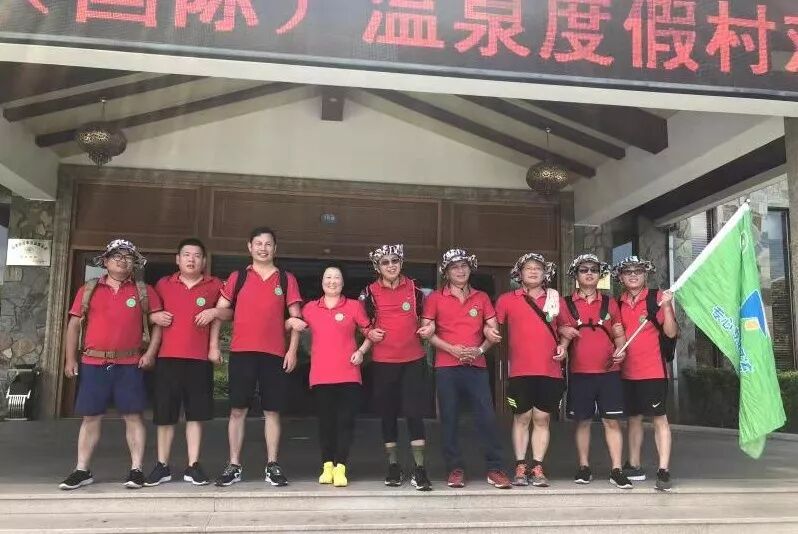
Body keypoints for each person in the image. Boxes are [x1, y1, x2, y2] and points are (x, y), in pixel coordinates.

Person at [59, 239, 163, 490]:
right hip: (93, 362)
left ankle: (136, 469)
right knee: (90, 417)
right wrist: (70, 359)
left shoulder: (144, 291)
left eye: (128, 257)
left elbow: (158, 324)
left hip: (130, 363)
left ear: (134, 263)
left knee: (133, 416)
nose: (122, 261)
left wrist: (150, 353)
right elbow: (73, 326)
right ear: (105, 261)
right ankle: (82, 469)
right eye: (116, 256)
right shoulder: (89, 289)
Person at [209, 227, 303, 487]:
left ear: (275, 248)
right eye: (258, 244)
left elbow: (296, 318)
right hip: (242, 352)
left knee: (272, 411)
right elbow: (220, 312)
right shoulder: (238, 277)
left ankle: (272, 465)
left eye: (268, 244)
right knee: (237, 409)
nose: (263, 248)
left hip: (275, 354)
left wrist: (292, 350)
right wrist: (214, 345)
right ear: (249, 247)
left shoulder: (286, 279)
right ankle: (234, 465)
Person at [420, 249, 511, 490]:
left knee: (487, 417)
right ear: (446, 272)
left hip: (476, 366)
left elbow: (491, 329)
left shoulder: (482, 297)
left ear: (470, 269)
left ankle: (495, 468)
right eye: (454, 267)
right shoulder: (435, 298)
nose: (460, 271)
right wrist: (452, 349)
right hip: (447, 367)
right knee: (449, 419)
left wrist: (480, 349)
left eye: (464, 266)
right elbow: (428, 332)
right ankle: (455, 469)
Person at [144, 238, 228, 487]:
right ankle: (162, 465)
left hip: (199, 359)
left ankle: (193, 465)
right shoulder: (163, 284)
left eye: (197, 255)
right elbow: (147, 312)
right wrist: (154, 317)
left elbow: (230, 312)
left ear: (204, 261)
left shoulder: (215, 285)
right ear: (177, 259)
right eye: (187, 255)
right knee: (165, 415)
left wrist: (214, 312)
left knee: (195, 415)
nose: (192, 259)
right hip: (167, 358)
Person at [493, 253, 570, 488]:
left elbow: (565, 327)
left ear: (545, 274)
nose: (534, 271)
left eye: (538, 268)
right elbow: (492, 326)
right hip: (519, 371)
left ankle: (537, 466)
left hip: (550, 369)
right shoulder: (507, 299)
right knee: (522, 417)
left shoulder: (555, 299)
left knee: (542, 418)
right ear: (520, 273)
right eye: (529, 268)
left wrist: (564, 346)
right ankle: (520, 465)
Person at [360, 244, 434, 490]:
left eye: (395, 261)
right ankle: (393, 466)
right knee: (388, 414)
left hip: (413, 360)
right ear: (377, 267)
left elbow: (429, 319)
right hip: (383, 362)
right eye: (385, 262)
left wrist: (428, 328)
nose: (390, 265)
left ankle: (420, 468)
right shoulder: (368, 293)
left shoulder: (416, 289)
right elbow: (361, 322)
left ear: (401, 263)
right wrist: (369, 332)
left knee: (414, 413)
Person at [292, 265, 372, 487]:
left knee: (345, 423)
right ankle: (327, 466)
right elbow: (295, 324)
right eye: (328, 277)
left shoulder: (354, 306)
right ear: (322, 282)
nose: (332, 281)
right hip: (321, 376)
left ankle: (341, 467)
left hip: (348, 375)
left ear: (343, 283)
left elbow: (370, 332)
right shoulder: (310, 308)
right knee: (326, 423)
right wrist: (290, 322)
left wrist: (361, 352)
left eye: (337, 277)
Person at [558, 254, 632, 489]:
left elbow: (619, 334)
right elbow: (558, 329)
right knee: (582, 422)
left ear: (600, 275)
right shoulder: (564, 303)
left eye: (593, 270)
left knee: (612, 421)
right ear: (576, 275)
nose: (589, 273)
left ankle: (617, 469)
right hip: (580, 372)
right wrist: (562, 338)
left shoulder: (610, 303)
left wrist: (621, 350)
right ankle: (584, 466)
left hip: (609, 371)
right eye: (583, 270)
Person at [613, 256, 678, 492]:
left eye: (638, 271)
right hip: (627, 372)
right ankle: (634, 465)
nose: (633, 275)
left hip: (653, 371)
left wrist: (667, 306)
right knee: (633, 418)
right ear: (621, 278)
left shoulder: (656, 298)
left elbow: (671, 333)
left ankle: (663, 470)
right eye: (628, 272)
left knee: (659, 418)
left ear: (645, 275)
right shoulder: (617, 303)